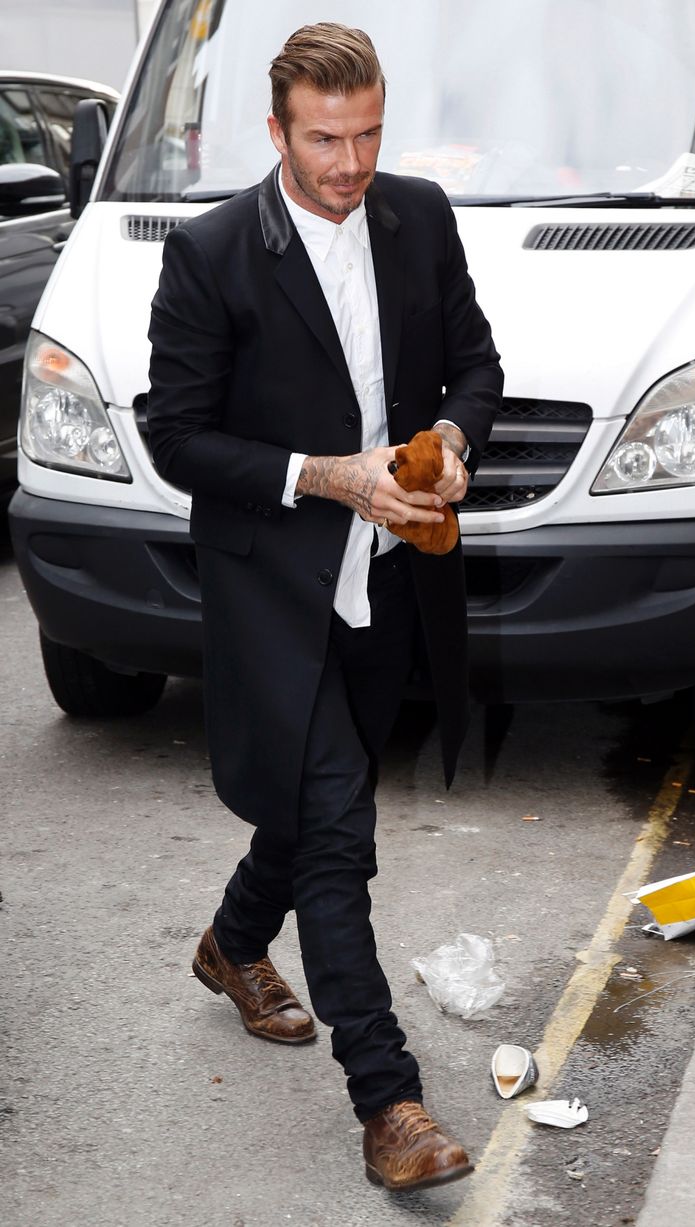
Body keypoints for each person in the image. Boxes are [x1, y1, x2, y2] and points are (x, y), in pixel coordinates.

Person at [147, 22, 503, 1193]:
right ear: (276, 131)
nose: (350, 164)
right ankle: (388, 1102)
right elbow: (176, 435)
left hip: (392, 578)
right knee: (340, 836)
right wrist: (322, 474)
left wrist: (451, 439)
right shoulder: (211, 253)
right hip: (273, 585)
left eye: (367, 135)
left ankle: (231, 945)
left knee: (310, 815)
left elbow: (475, 366)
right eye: (323, 141)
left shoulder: (419, 217)